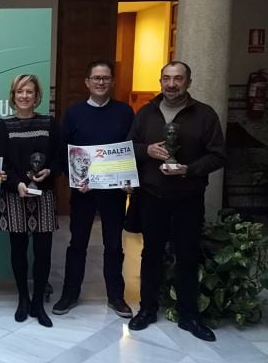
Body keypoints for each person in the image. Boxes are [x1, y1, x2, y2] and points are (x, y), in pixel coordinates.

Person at [127, 61, 225, 342]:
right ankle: (147, 309)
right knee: (151, 254)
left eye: (178, 78)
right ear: (160, 81)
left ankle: (189, 315)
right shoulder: (146, 113)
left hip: (187, 197)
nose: (172, 84)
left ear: (188, 82)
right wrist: (148, 150)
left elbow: (218, 155)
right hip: (152, 196)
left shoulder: (204, 115)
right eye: (167, 78)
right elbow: (129, 147)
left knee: (187, 256)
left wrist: (189, 169)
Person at [53, 60, 135, 318]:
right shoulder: (74, 113)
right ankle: (69, 294)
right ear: (87, 82)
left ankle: (116, 296)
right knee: (77, 243)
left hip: (113, 193)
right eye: (96, 78)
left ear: (112, 82)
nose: (101, 82)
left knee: (114, 245)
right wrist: (74, 178)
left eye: (106, 78)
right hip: (84, 192)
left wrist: (128, 179)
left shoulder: (124, 112)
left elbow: (131, 148)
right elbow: (63, 151)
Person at [0, 74, 59, 328]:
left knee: (43, 252)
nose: (24, 96)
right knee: (18, 251)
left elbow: (57, 158)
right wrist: (16, 184)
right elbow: (0, 162)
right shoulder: (3, 125)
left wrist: (49, 171)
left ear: (37, 95)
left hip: (44, 195)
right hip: (13, 194)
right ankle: (22, 298)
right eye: (20, 92)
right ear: (13, 95)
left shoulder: (49, 123)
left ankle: (38, 302)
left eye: (29, 92)